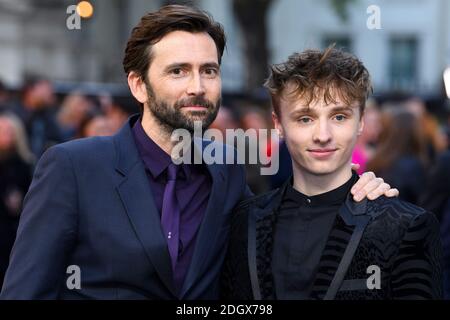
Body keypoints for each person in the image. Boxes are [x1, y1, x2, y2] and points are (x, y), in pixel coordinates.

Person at [1, 5, 396, 300]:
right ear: (139, 85)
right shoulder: (74, 167)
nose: (198, 86)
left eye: (209, 70)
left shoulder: (225, 170)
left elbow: (280, 233)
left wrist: (355, 195)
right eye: (178, 71)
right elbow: (25, 292)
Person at [221, 46, 442, 300]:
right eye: (305, 118)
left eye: (339, 117)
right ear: (279, 124)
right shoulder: (243, 221)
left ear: (360, 122)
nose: (323, 135)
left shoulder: (406, 225)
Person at [0, 113, 34, 288]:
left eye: (9, 131)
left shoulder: (24, 165)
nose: (6, 135)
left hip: (13, 234)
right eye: (2, 130)